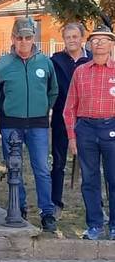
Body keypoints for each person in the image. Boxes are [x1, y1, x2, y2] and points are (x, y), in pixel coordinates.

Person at [0, 17, 59, 232]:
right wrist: (8, 114)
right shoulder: (2, 65)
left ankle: (47, 212)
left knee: (42, 169)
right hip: (11, 125)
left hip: (38, 125)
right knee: (13, 168)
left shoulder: (45, 63)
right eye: (19, 38)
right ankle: (18, 206)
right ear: (13, 39)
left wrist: (41, 109)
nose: (23, 42)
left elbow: (53, 90)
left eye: (28, 37)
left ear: (33, 39)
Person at [63, 23, 115, 240]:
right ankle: (94, 224)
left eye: (104, 39)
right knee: (90, 180)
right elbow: (69, 109)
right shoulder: (81, 72)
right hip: (86, 130)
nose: (99, 43)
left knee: (113, 179)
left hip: (111, 128)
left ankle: (114, 226)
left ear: (111, 44)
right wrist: (72, 137)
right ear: (89, 44)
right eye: (95, 40)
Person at [49, 23, 91, 218]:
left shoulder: (91, 60)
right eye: (68, 37)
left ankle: (94, 204)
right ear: (63, 39)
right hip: (61, 118)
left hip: (87, 120)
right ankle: (55, 203)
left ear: (82, 37)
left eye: (75, 36)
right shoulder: (55, 61)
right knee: (58, 162)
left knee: (89, 163)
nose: (72, 40)